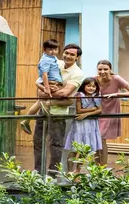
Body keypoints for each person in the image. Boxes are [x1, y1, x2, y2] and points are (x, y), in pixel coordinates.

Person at [32, 43, 84, 177]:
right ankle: (37, 171)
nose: (68, 56)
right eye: (66, 53)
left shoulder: (77, 73)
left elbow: (65, 93)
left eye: (72, 54)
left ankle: (52, 173)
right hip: (43, 109)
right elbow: (40, 83)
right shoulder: (55, 62)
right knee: (38, 140)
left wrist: (45, 93)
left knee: (55, 144)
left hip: (58, 112)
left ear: (77, 57)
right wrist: (44, 91)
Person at [95, 60, 129, 166]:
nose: (102, 72)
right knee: (96, 139)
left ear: (110, 70)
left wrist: (117, 94)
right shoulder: (94, 80)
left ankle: (102, 167)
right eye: (100, 69)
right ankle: (97, 167)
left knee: (101, 138)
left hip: (110, 111)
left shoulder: (116, 79)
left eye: (105, 69)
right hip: (96, 111)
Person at [20, 39, 63, 135]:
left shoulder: (52, 58)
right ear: (45, 50)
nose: (53, 52)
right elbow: (44, 74)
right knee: (43, 101)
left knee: (39, 102)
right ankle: (28, 119)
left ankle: (26, 120)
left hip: (52, 82)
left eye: (55, 49)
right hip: (50, 82)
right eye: (50, 49)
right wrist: (46, 87)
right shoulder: (46, 60)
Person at [63, 77, 103, 173]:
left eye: (93, 86)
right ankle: (69, 172)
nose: (91, 88)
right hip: (80, 124)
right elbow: (79, 110)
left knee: (84, 150)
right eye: (88, 86)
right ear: (84, 86)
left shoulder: (96, 96)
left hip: (91, 124)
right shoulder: (79, 95)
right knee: (74, 149)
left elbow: (100, 110)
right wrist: (92, 109)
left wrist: (87, 114)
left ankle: (77, 171)